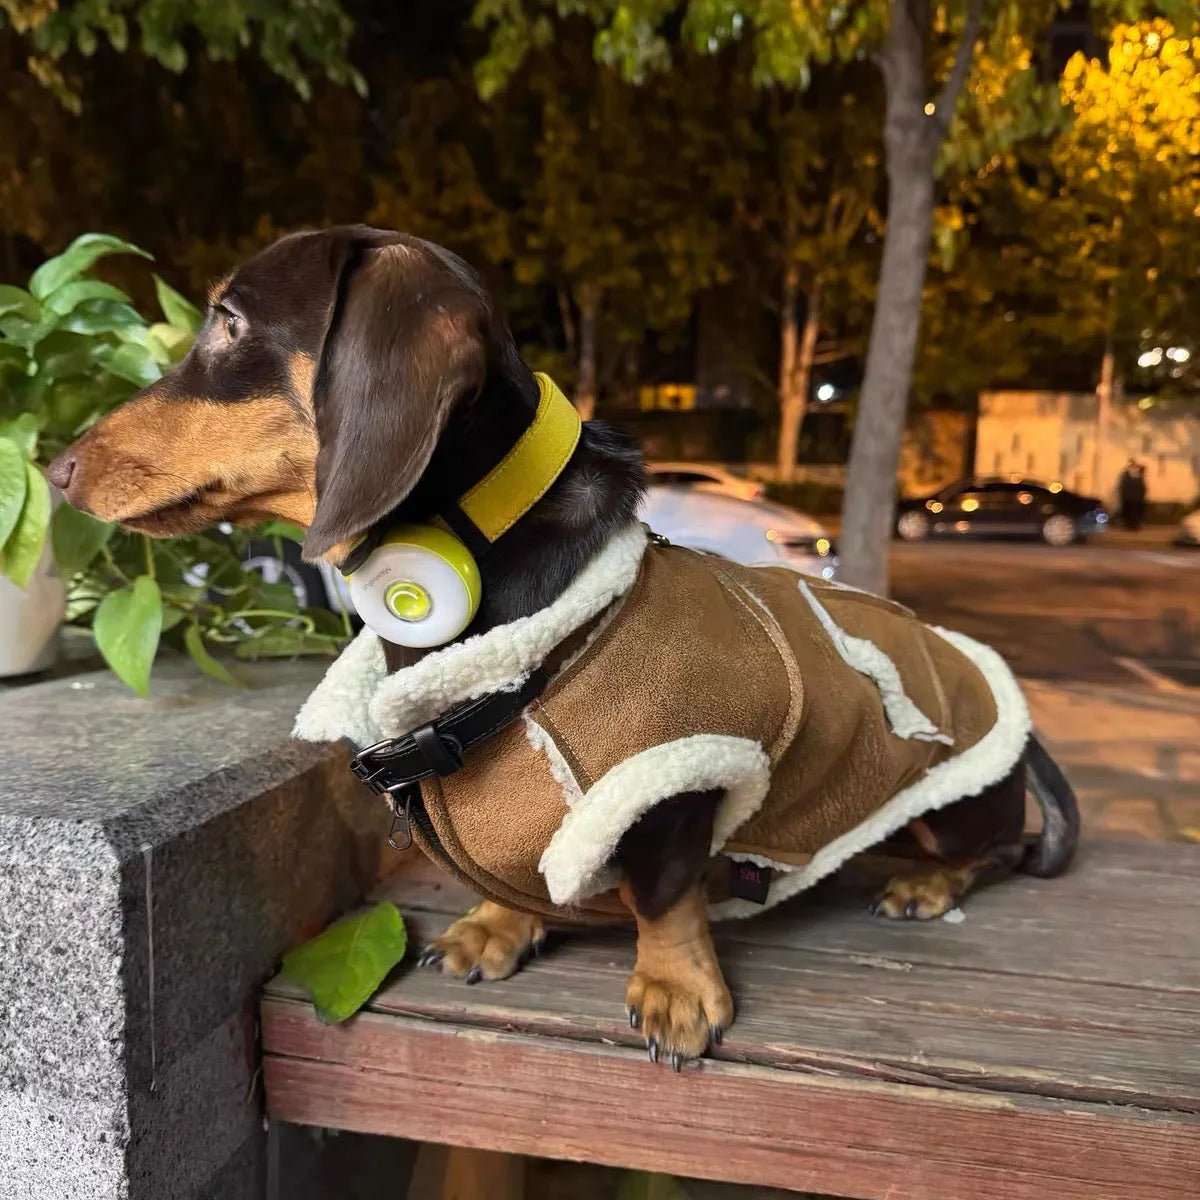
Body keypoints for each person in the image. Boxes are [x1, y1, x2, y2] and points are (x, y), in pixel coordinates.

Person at [1118, 458, 1147, 531]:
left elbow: (1142, 487)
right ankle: (1130, 525)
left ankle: (1134, 525)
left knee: (1135, 511)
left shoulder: (1138, 475)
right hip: (1130, 497)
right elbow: (1123, 486)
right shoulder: (1127, 474)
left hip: (1136, 497)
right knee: (1130, 511)